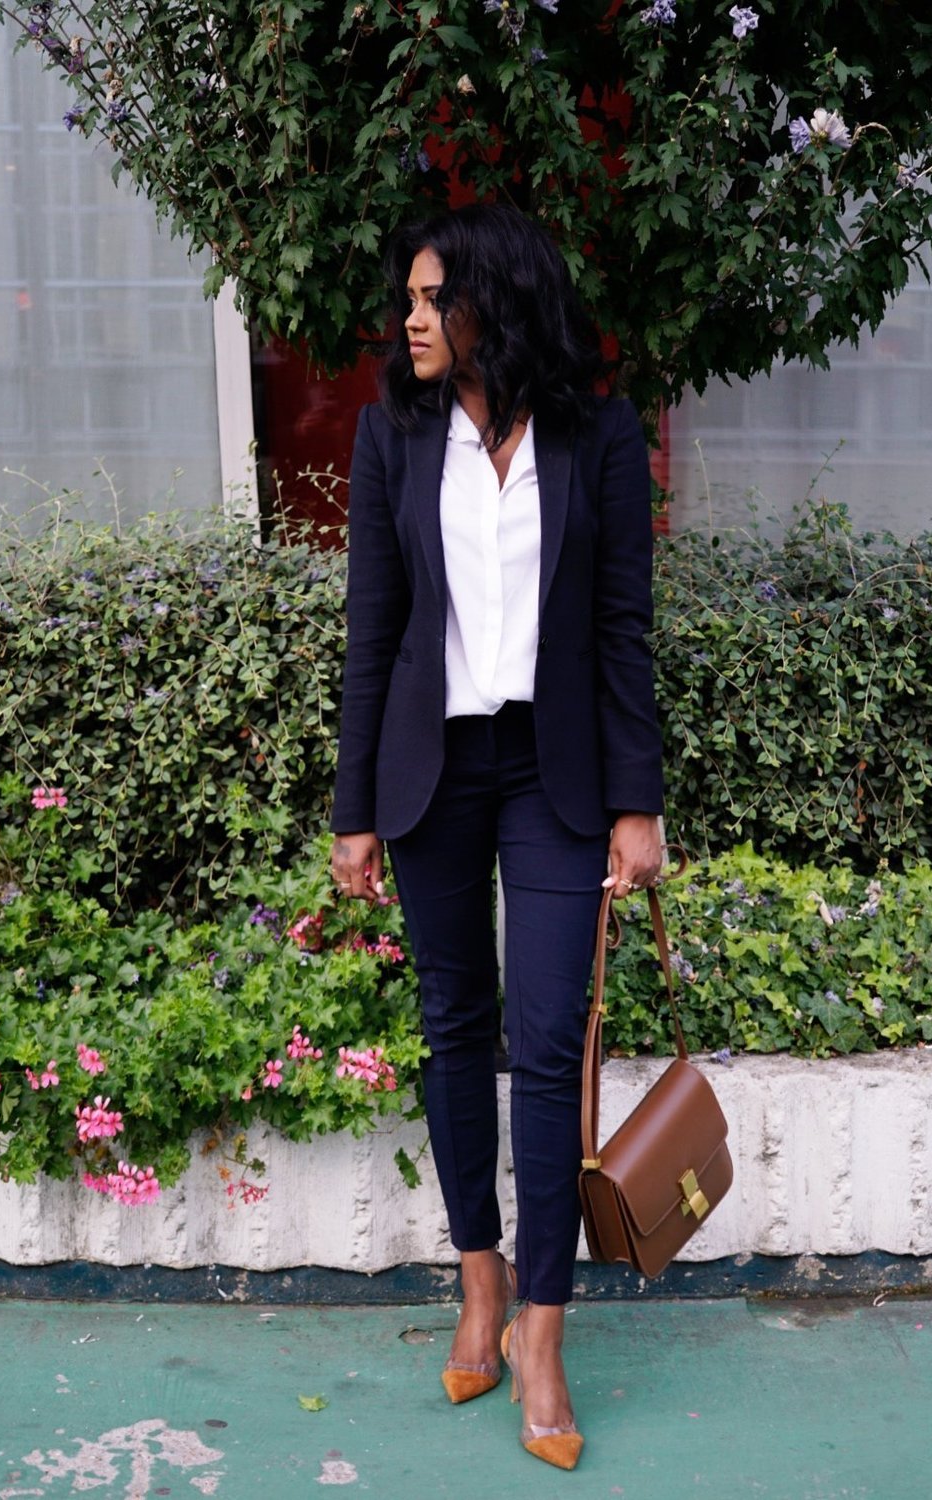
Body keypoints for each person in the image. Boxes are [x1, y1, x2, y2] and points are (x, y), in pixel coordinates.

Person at [330, 202, 665, 1471]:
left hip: (552, 768)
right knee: (455, 1026)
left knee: (544, 1037)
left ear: (497, 304)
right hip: (434, 768)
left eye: (433, 297)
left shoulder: (598, 435)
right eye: (407, 299)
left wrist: (638, 803)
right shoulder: (392, 435)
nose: (411, 319)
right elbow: (374, 633)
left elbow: (623, 630)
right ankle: (476, 1277)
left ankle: (541, 1326)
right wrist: (352, 811)